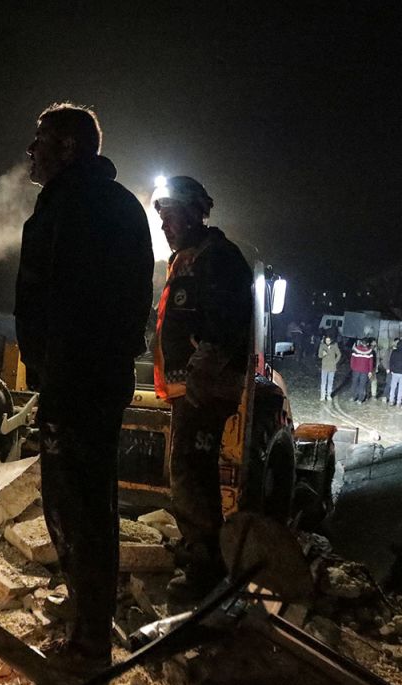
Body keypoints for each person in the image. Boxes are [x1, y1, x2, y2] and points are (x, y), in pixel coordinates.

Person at [15, 102, 153, 671]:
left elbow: (70, 303)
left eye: (41, 139)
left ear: (68, 147)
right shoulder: (114, 206)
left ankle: (92, 639)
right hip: (87, 378)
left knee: (80, 502)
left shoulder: (76, 207)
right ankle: (86, 615)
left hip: (76, 381)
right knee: (79, 498)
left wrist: (57, 375)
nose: (32, 150)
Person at [151, 175, 254, 601]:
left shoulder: (218, 259)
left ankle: (203, 570)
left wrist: (200, 373)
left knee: (192, 476)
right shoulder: (190, 259)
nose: (165, 226)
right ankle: (200, 554)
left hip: (203, 390)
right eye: (162, 218)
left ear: (194, 212)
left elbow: (224, 326)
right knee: (188, 473)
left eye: (170, 216)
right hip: (189, 389)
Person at [385, 339, 402, 406]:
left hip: (395, 372)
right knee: (401, 388)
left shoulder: (394, 352)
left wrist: (391, 370)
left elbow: (391, 361)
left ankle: (391, 401)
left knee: (393, 387)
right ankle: (398, 402)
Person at [349, 338, 375, 402]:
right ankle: (360, 399)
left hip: (356, 370)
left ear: (361, 343)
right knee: (362, 385)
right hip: (365, 371)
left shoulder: (355, 349)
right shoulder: (370, 351)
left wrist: (352, 367)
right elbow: (371, 363)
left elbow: (352, 360)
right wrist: (370, 371)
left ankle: (353, 397)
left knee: (354, 384)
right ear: (367, 344)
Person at [317, 334, 341, 401]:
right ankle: (322, 396)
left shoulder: (334, 345)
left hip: (332, 367)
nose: (327, 341)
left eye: (329, 340)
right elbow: (319, 355)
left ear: (331, 340)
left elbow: (339, 354)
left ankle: (328, 395)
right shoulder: (322, 345)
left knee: (330, 382)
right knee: (323, 382)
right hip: (324, 366)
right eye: (326, 340)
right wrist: (322, 354)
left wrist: (335, 362)